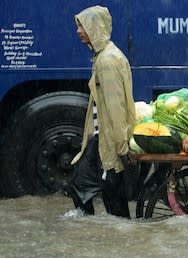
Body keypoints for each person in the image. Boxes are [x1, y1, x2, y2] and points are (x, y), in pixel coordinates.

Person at [68, 5, 136, 218]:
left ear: (96, 27)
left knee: (105, 193)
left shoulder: (107, 60)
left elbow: (116, 107)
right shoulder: (105, 56)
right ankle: (103, 232)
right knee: (93, 188)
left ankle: (110, 234)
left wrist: (121, 146)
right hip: (101, 137)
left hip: (108, 140)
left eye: (83, 26)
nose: (79, 31)